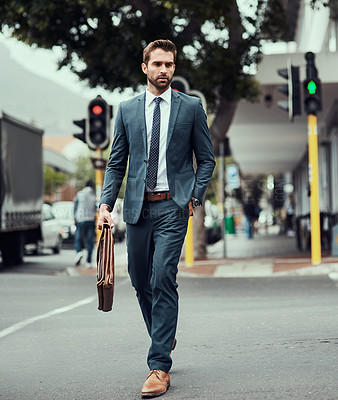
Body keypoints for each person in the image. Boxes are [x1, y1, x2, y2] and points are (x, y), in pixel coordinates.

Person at [97, 39, 215, 398]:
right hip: (137, 208)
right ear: (144, 67)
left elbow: (206, 159)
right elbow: (117, 162)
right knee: (138, 279)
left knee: (164, 275)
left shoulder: (191, 108)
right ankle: (164, 332)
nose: (164, 69)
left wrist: (195, 196)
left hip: (173, 207)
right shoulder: (127, 110)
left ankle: (159, 365)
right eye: (158, 64)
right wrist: (106, 204)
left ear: (174, 69)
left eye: (170, 64)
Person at [73, 180, 96, 267]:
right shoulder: (93, 196)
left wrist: (74, 218)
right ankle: (88, 262)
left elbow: (75, 207)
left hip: (80, 219)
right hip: (91, 220)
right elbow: (96, 207)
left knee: (78, 239)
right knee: (90, 242)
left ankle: (79, 252)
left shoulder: (79, 194)